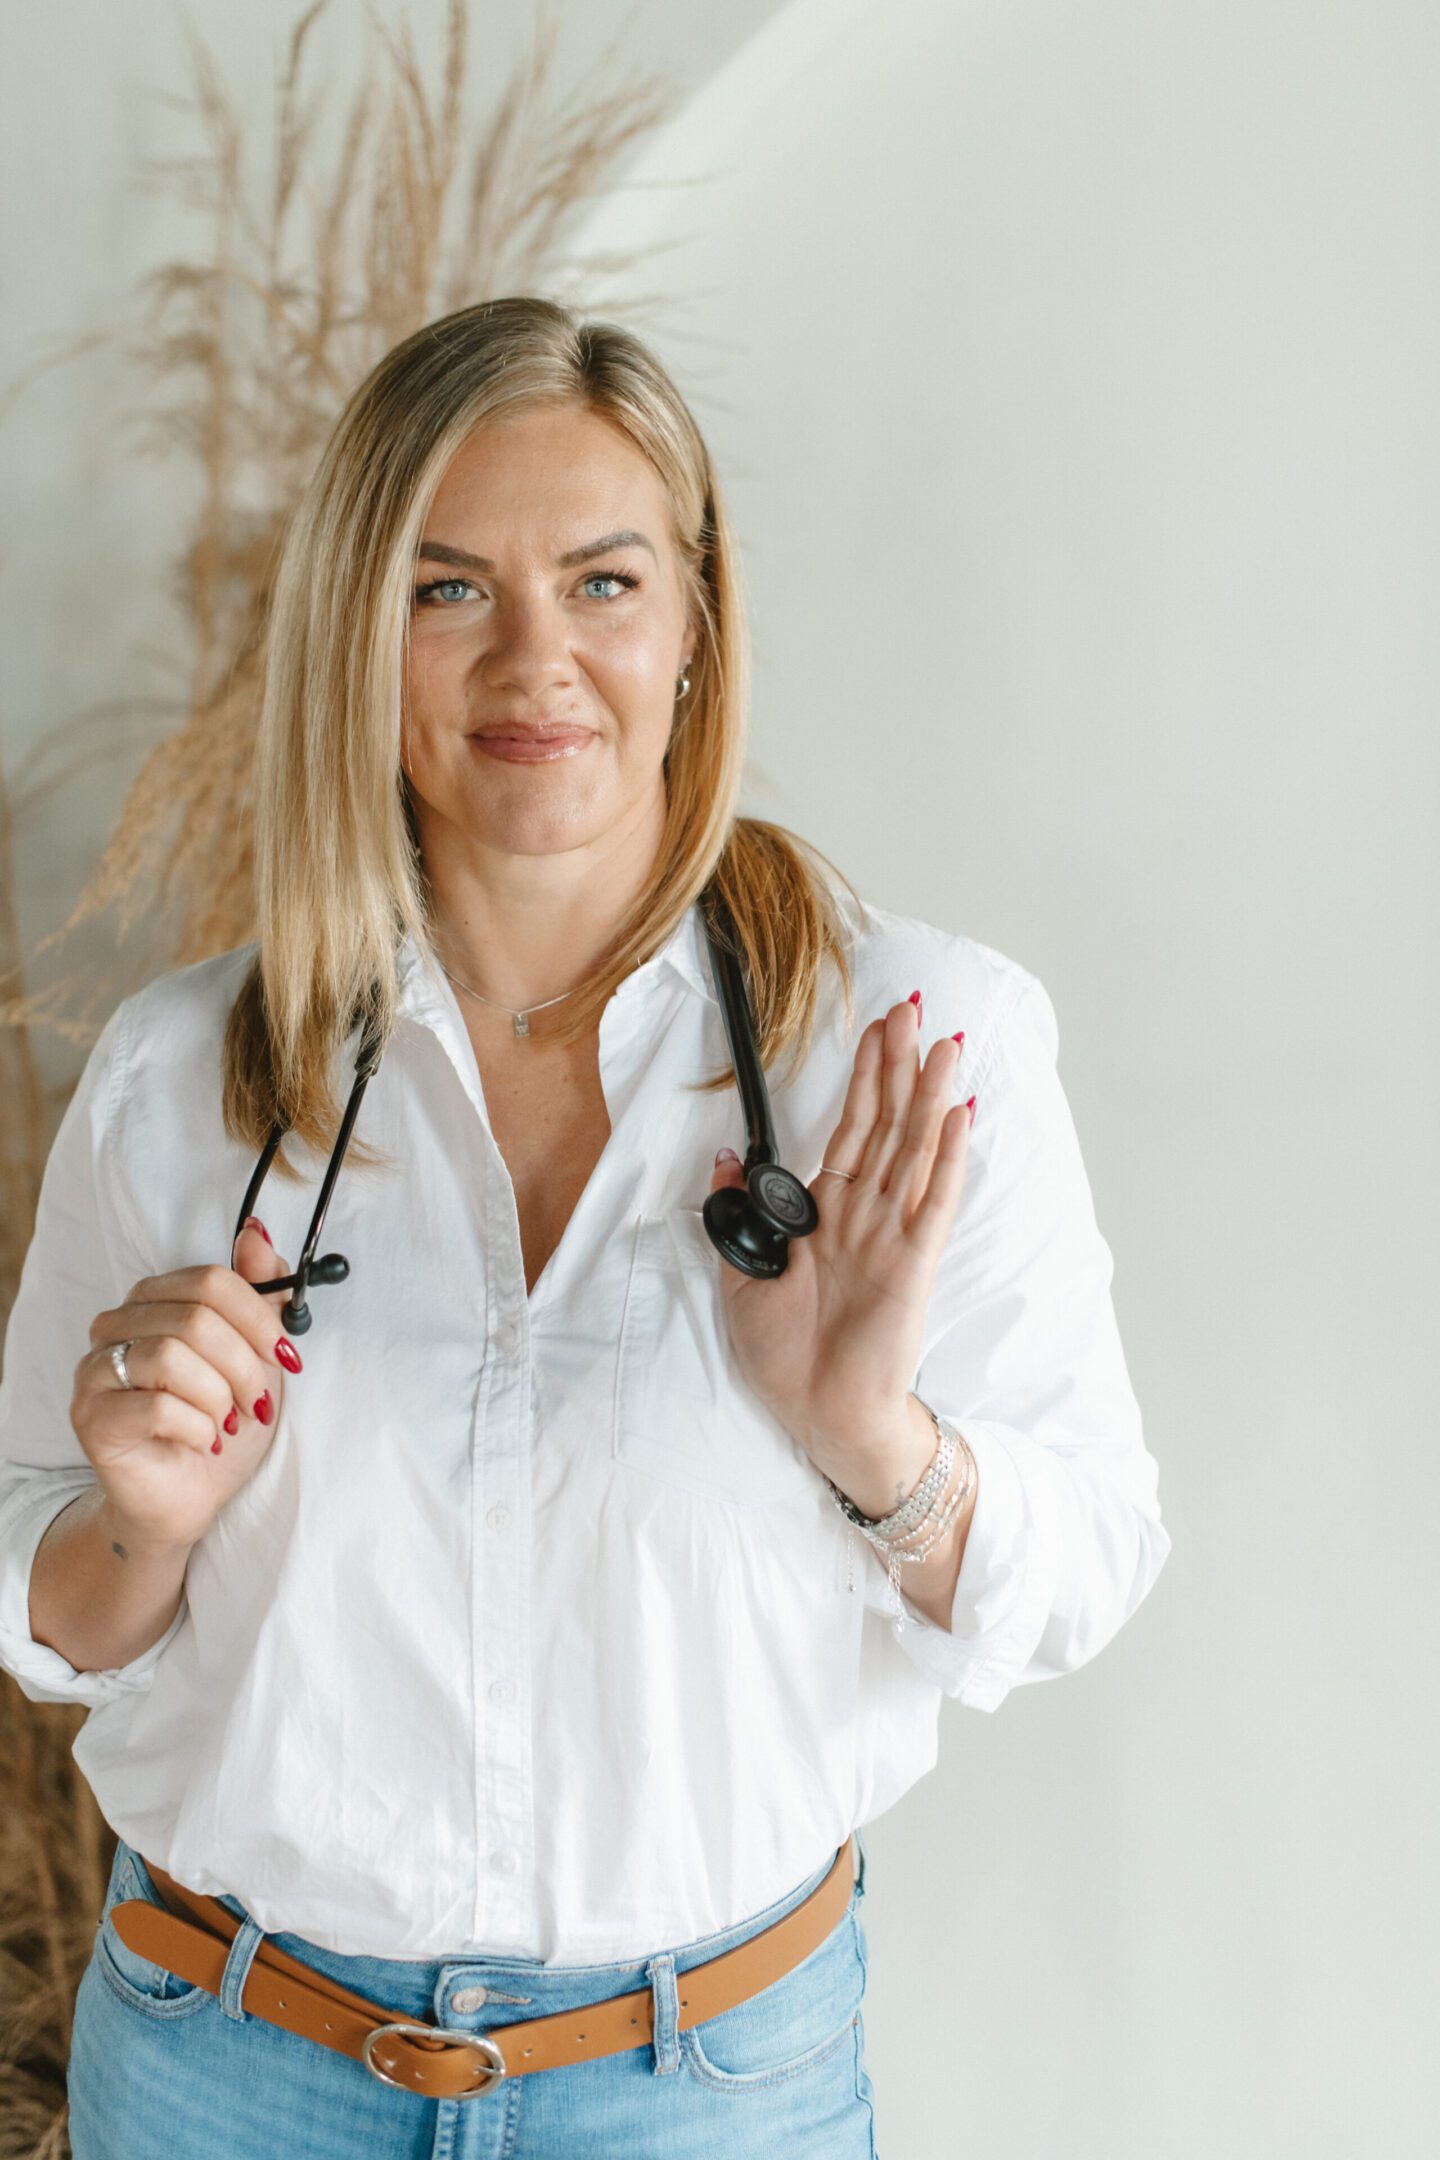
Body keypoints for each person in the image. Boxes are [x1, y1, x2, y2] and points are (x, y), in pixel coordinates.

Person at [0, 296, 1171, 2157]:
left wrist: (876, 1445)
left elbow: (1093, 1554)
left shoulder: (914, 1049)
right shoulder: (176, 1081)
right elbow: (46, 1610)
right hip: (229, 2071)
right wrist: (136, 1526)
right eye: (446, 589)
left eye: (604, 583)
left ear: (697, 620)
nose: (532, 661)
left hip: (705, 2093)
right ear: (357, 643)